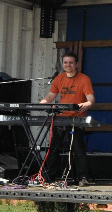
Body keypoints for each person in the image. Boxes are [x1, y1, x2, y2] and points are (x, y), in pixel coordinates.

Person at [39, 52, 95, 186]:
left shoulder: (84, 79)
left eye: (71, 62)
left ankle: (83, 177)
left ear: (76, 64)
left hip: (76, 118)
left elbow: (91, 99)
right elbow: (50, 96)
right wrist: (42, 103)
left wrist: (86, 104)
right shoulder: (59, 78)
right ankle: (49, 176)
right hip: (60, 118)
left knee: (78, 148)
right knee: (53, 148)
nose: (68, 65)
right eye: (65, 62)